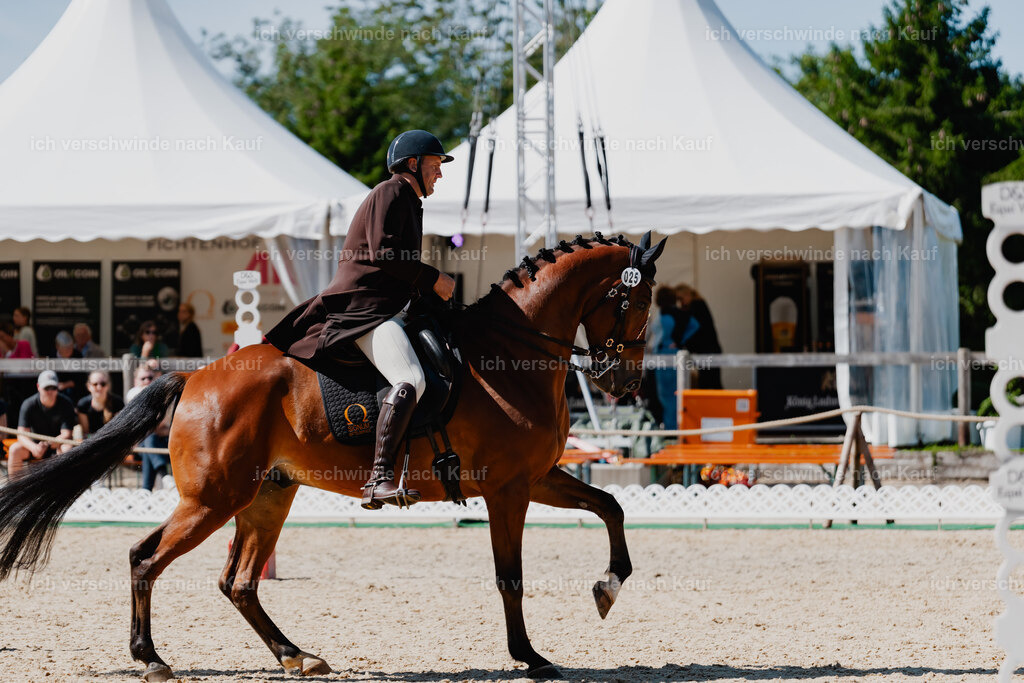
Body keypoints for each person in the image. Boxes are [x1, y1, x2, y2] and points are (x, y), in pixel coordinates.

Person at [266, 129, 455, 510]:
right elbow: (384, 255)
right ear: (413, 164)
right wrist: (433, 278)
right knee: (411, 378)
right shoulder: (392, 191)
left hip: (383, 308)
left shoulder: (409, 200)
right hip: (364, 312)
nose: (440, 174)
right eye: (435, 165)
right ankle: (379, 479)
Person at [7, 370, 75, 479]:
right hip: (34, 446)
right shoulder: (28, 404)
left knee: (68, 448)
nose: (50, 391)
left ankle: (65, 486)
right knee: (14, 449)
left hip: (57, 445)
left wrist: (47, 444)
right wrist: (34, 448)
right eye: (46, 388)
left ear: (58, 387)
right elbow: (21, 434)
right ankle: (14, 489)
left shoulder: (66, 404)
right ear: (38, 387)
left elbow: (66, 434)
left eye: (53, 388)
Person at [127, 364, 171, 491]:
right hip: (140, 446)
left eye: (150, 378)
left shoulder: (164, 395)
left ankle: (146, 490)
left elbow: (155, 427)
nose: (147, 381)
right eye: (143, 378)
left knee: (148, 442)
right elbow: (148, 427)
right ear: (136, 381)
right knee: (149, 440)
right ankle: (164, 476)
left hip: (161, 443)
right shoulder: (133, 395)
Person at [676, 284, 723, 389]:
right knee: (711, 382)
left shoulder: (696, 306)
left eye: (681, 299)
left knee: (710, 383)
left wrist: (682, 342)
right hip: (710, 350)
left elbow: (697, 330)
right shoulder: (699, 304)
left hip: (709, 351)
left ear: (687, 295)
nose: (681, 303)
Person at [76, 370, 124, 437]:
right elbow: (85, 432)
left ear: (108, 386)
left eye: (103, 384)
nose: (99, 387)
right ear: (88, 386)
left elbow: (118, 429)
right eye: (95, 384)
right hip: (90, 440)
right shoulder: (83, 404)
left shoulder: (117, 402)